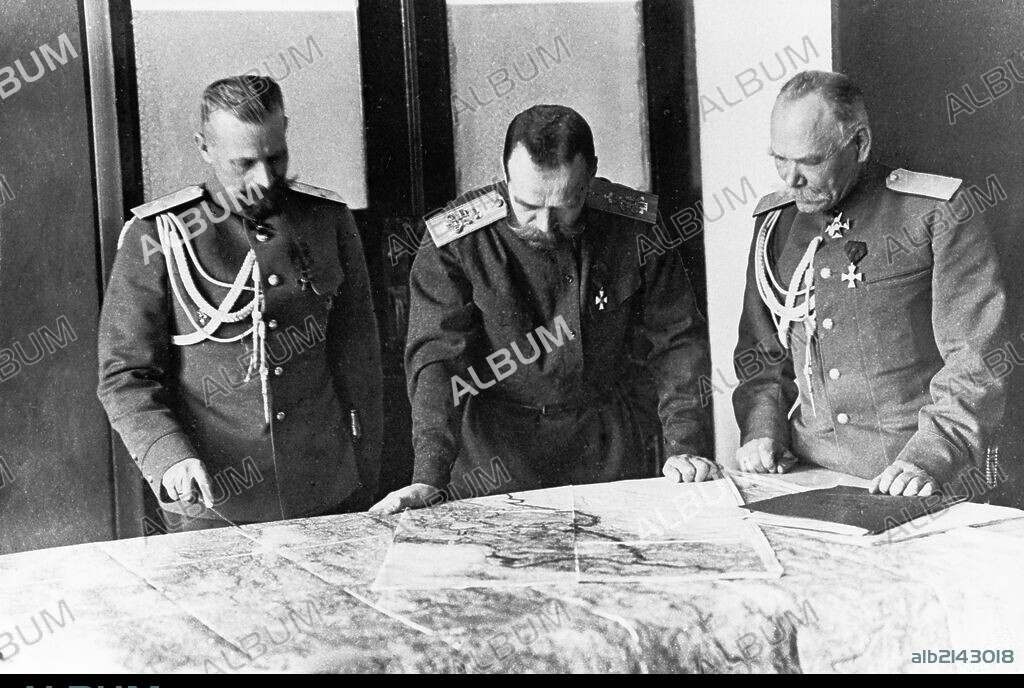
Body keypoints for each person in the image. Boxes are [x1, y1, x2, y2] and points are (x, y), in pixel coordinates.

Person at [371, 104, 713, 514]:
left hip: (607, 452)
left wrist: (685, 444)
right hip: (494, 464)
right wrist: (428, 474)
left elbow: (677, 340)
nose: (546, 226)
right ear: (505, 172)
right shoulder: (457, 243)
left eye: (566, 204)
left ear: (591, 176)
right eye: (528, 205)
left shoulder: (635, 227)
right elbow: (437, 363)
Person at [98, 75, 382, 530]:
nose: (264, 180)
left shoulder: (329, 221)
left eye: (276, 158)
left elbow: (360, 360)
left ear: (285, 129)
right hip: (215, 505)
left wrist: (365, 472)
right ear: (204, 147)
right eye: (243, 163)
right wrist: (169, 458)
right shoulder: (158, 235)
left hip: (326, 493)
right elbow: (124, 375)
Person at [733, 70, 1007, 497]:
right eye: (779, 159)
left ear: (859, 144)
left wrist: (928, 459)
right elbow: (763, 353)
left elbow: (976, 361)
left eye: (809, 162)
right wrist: (762, 430)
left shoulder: (937, 214)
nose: (790, 180)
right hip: (805, 474)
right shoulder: (777, 223)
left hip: (913, 477)